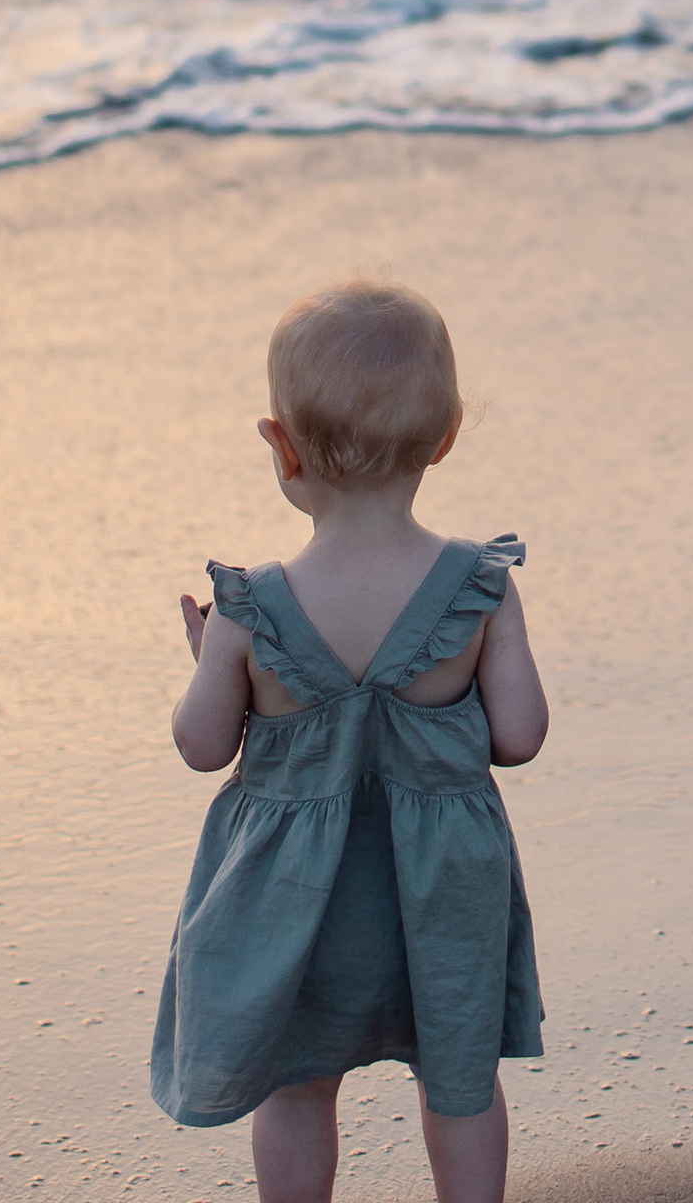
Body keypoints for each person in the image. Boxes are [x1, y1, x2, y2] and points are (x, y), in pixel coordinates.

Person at [151, 278, 548, 1203]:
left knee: (294, 1082)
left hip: (299, 899)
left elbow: (202, 746)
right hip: (445, 890)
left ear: (280, 448)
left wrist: (211, 662)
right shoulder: (480, 588)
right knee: (458, 1078)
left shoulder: (250, 609)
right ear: (446, 438)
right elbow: (520, 736)